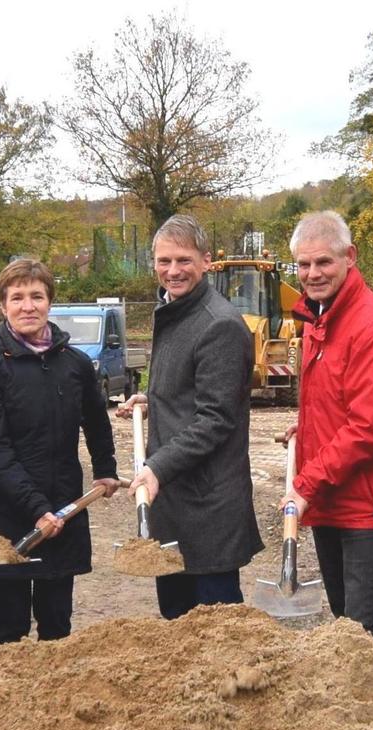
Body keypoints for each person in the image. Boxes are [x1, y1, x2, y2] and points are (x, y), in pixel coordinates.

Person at [279, 211, 373, 643]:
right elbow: (338, 404)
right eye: (304, 265)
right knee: (342, 623)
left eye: (323, 262)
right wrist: (308, 430)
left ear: (350, 257)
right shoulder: (322, 318)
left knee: (360, 630)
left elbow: (367, 429)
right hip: (332, 496)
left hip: (368, 504)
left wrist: (305, 485)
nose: (312, 274)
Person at [0, 259, 119, 644]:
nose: (28, 305)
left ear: (50, 301)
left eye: (37, 296)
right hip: (6, 510)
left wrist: (105, 468)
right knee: (11, 625)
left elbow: (97, 422)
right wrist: (36, 509)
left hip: (62, 504)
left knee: (57, 624)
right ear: (3, 306)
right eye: (17, 297)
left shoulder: (75, 364)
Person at [121, 215, 262, 618]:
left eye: (183, 260)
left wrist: (157, 468)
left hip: (208, 505)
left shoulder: (219, 324)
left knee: (215, 630)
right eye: (163, 261)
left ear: (206, 261)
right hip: (176, 500)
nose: (173, 270)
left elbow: (217, 417)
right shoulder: (174, 311)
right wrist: (156, 398)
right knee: (176, 625)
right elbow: (193, 386)